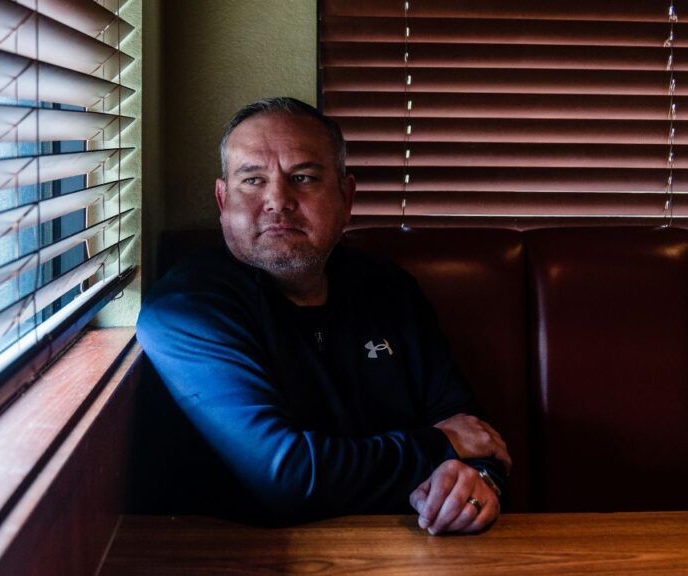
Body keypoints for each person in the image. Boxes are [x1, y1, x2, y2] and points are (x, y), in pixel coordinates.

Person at [136, 97, 511, 535]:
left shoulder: (389, 288)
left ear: (346, 197)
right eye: (252, 180)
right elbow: (288, 478)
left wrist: (477, 483)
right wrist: (440, 445)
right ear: (223, 200)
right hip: (253, 555)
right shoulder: (188, 309)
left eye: (304, 177)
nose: (278, 201)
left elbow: (473, 432)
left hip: (414, 543)